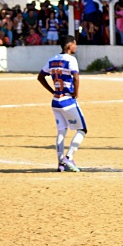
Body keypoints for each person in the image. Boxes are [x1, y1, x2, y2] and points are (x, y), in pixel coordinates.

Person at [37, 35, 87, 172]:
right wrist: (76, 93)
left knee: (61, 132)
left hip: (56, 101)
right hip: (67, 100)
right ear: (69, 46)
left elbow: (40, 77)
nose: (76, 46)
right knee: (82, 129)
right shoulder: (71, 60)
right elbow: (76, 77)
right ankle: (69, 157)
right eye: (75, 44)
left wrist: (52, 91)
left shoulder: (52, 59)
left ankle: (60, 163)